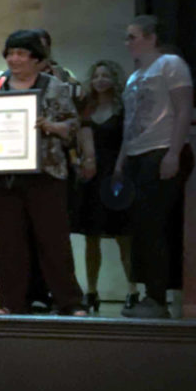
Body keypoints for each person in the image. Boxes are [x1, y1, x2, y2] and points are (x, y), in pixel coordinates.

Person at [0, 30, 86, 316]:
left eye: (21, 53)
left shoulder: (53, 86)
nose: (14, 59)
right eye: (10, 53)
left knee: (53, 241)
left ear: (36, 59)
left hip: (47, 174)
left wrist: (50, 126)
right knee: (8, 242)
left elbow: (72, 127)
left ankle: (70, 301)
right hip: (4, 175)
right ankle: (10, 302)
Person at [114, 15, 194, 319]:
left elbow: (184, 108)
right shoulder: (135, 76)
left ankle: (158, 297)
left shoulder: (170, 64)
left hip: (160, 151)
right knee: (141, 228)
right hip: (136, 155)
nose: (127, 42)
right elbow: (130, 123)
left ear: (151, 38)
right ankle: (150, 294)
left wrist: (174, 152)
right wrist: (121, 161)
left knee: (156, 225)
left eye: (132, 36)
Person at [71, 60, 138, 312]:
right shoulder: (86, 108)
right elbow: (77, 139)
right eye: (96, 75)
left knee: (123, 236)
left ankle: (132, 290)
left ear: (114, 79)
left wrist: (120, 168)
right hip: (91, 174)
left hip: (116, 173)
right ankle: (91, 291)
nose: (100, 80)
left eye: (106, 75)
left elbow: (128, 140)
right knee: (91, 237)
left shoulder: (123, 108)